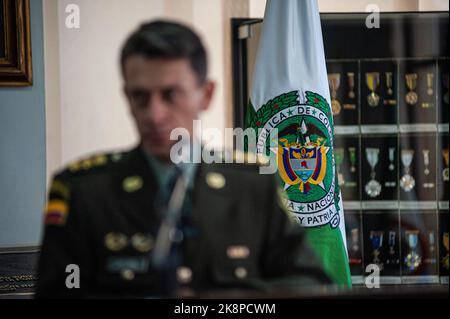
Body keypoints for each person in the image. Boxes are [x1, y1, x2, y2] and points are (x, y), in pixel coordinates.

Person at [35, 20, 331, 298]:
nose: (154, 115)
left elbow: (309, 285)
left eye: (170, 95)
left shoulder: (253, 185)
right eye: (140, 97)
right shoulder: (85, 191)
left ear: (205, 95)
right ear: (126, 96)